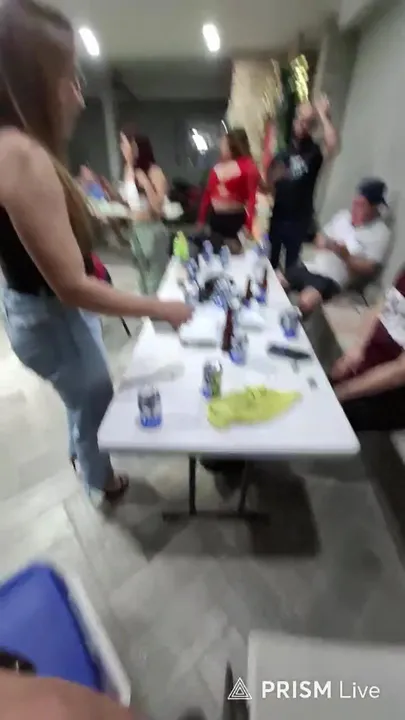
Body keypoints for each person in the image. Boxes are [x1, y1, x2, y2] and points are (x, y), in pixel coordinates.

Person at [0, 0, 191, 502]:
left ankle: (80, 451)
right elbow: (71, 286)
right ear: (35, 80)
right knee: (93, 394)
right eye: (71, 79)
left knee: (79, 391)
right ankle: (99, 479)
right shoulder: (21, 155)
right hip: (48, 313)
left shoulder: (17, 147)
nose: (80, 98)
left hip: (32, 307)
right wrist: (162, 309)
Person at [278, 178, 391, 315]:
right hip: (312, 266)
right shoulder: (343, 216)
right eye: (356, 202)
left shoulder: (380, 233)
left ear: (374, 207)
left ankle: (291, 323)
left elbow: (369, 269)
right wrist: (325, 242)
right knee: (278, 281)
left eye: (362, 205)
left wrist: (347, 257)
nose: (355, 208)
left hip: (332, 279)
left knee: (306, 301)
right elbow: (320, 238)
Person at [268, 96, 339, 270]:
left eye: (308, 122)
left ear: (313, 126)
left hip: (299, 220)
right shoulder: (283, 153)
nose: (303, 125)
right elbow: (268, 186)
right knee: (270, 263)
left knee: (291, 269)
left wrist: (323, 116)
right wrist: (272, 181)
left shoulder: (314, 152)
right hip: (278, 216)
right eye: (300, 120)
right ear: (294, 121)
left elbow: (332, 144)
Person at [331, 267, 405, 431]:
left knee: (334, 413)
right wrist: (357, 348)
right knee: (320, 387)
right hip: (375, 357)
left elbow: (400, 372)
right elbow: (381, 307)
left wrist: (344, 391)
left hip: (394, 387)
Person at [197, 127, 260, 244]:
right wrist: (201, 219)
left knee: (235, 250)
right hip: (216, 217)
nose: (221, 148)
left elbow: (252, 198)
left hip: (235, 218)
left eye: (224, 144)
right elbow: (207, 195)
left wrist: (249, 225)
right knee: (216, 249)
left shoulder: (247, 166)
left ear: (232, 146)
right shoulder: (217, 167)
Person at [120, 126, 167, 221]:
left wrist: (146, 183)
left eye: (124, 143)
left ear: (135, 147)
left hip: (151, 226)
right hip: (133, 224)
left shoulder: (154, 171)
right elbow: (130, 202)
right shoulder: (128, 169)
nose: (122, 147)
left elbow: (159, 208)